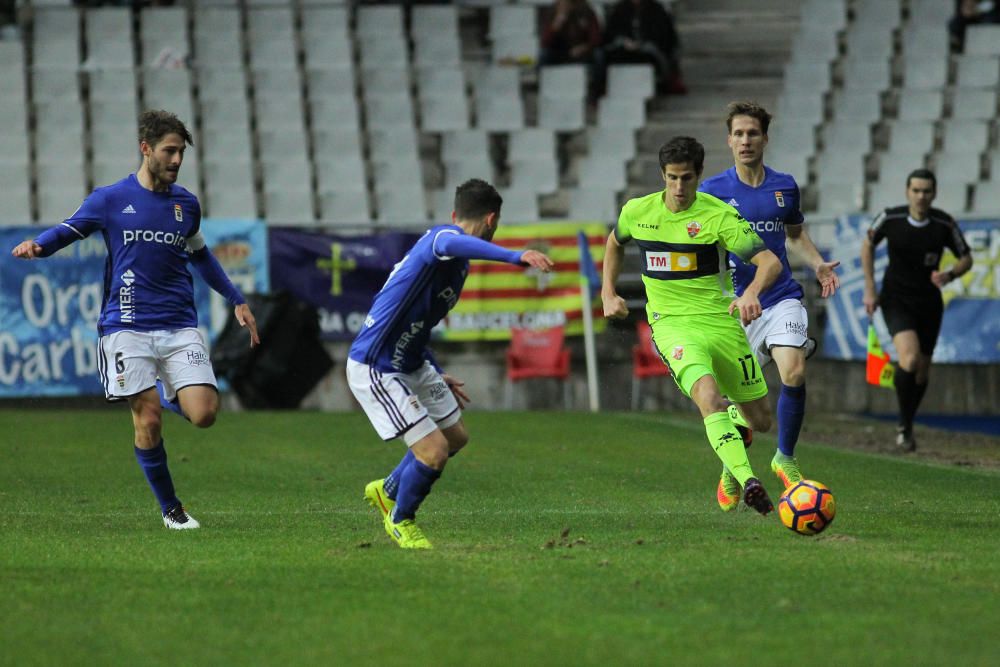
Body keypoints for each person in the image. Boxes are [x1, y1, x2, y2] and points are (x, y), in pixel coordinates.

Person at [10, 109, 259, 529]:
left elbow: (200, 255)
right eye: (169, 151)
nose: (177, 160)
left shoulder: (186, 206)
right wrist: (39, 246)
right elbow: (71, 229)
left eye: (181, 152)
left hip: (179, 324)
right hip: (125, 325)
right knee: (147, 419)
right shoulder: (110, 199)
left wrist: (235, 298)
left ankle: (158, 389)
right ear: (146, 149)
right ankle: (172, 510)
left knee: (204, 415)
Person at [350, 179, 554, 549]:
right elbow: (447, 240)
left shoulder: (456, 266)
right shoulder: (441, 239)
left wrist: (434, 370)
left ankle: (387, 490)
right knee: (433, 451)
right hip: (376, 364)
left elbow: (419, 323)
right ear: (492, 219)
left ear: (455, 210)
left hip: (411, 360)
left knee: (455, 437)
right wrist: (514, 256)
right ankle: (401, 520)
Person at [602, 136, 783, 515]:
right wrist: (608, 293)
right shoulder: (637, 211)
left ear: (699, 175)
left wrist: (750, 292)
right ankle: (750, 480)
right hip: (671, 327)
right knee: (707, 397)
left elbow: (770, 263)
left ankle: (731, 456)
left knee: (761, 421)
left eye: (686, 178)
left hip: (721, 324)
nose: (679, 188)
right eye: (672, 178)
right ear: (662, 175)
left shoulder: (719, 216)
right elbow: (614, 243)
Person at [699, 101, 841, 511]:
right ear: (729, 141)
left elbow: (795, 235)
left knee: (793, 371)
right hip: (735, 308)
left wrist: (817, 264)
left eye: (753, 133)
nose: (746, 141)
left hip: (780, 298)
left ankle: (785, 458)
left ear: (765, 138)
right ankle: (733, 468)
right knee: (743, 406)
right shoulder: (712, 192)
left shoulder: (784, 187)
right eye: (738, 134)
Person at [861, 169, 973, 451]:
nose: (921, 196)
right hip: (896, 298)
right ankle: (903, 424)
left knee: (922, 371)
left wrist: (949, 275)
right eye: (916, 190)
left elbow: (967, 258)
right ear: (907, 191)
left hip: (928, 303)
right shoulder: (890, 217)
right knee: (908, 359)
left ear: (933, 194)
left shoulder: (943, 224)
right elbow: (867, 243)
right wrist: (870, 287)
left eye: (926, 191)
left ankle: (907, 424)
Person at [594, 0, 685, 97]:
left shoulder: (657, 9)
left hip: (649, 49)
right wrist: (625, 41)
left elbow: (664, 36)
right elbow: (611, 33)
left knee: (650, 51)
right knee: (605, 54)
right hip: (623, 48)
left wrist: (641, 43)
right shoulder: (620, 9)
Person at [539, 0, 602, 67]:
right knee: (544, 54)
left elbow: (596, 39)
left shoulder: (586, 11)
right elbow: (544, 42)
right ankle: (540, 77)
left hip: (583, 52)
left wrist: (584, 48)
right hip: (560, 52)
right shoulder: (552, 12)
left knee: (598, 54)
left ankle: (598, 77)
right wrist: (555, 26)